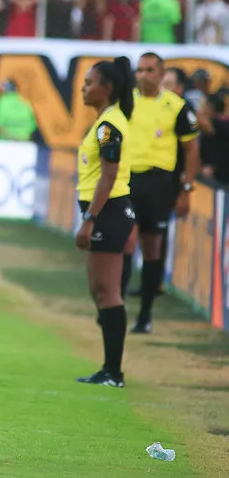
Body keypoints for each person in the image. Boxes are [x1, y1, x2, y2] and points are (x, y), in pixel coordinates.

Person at [122, 53, 200, 333]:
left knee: (152, 246)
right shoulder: (125, 101)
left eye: (149, 70)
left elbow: (192, 150)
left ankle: (145, 315)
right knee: (127, 240)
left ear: (160, 73)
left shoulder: (177, 107)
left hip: (160, 183)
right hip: (129, 180)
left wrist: (186, 190)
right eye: (140, 70)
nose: (143, 75)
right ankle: (115, 309)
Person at [75, 56, 137, 388]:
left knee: (108, 292)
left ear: (107, 88)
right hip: (105, 212)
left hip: (108, 213)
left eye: (89, 82)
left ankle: (114, 372)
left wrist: (90, 219)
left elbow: (109, 176)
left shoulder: (108, 125)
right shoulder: (105, 121)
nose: (84, 87)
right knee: (100, 290)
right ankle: (108, 369)